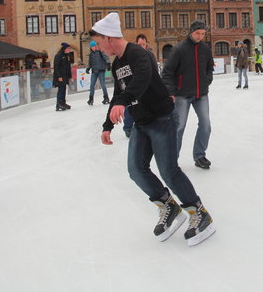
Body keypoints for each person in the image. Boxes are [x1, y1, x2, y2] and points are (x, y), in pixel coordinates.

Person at [91, 12, 215, 246]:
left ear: (108, 38)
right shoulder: (117, 64)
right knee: (136, 169)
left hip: (162, 118)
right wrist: (108, 124)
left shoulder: (139, 54)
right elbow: (119, 92)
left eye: (98, 42)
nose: (98, 47)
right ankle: (168, 206)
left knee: (169, 171)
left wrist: (123, 101)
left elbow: (143, 79)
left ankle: (199, 213)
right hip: (141, 122)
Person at [162, 21, 214, 170]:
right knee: (179, 127)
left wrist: (207, 79)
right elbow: (167, 72)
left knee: (206, 125)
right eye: (198, 33)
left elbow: (209, 67)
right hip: (182, 95)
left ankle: (199, 155)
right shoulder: (179, 50)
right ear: (191, 32)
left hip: (201, 94)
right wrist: (171, 91)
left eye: (203, 34)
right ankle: (172, 158)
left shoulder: (205, 49)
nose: (200, 36)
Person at [86, 41, 110, 106]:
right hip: (94, 71)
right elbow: (90, 63)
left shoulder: (100, 52)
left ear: (96, 46)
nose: (93, 48)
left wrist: (108, 63)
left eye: (93, 46)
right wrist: (88, 68)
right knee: (92, 85)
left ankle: (106, 98)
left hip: (101, 70)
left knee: (103, 85)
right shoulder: (91, 54)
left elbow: (106, 57)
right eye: (91, 47)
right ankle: (91, 99)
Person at [53, 42, 73, 111]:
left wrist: (70, 76)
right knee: (61, 89)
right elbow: (56, 67)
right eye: (68, 49)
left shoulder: (67, 56)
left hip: (65, 76)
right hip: (60, 76)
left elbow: (68, 67)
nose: (69, 50)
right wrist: (59, 76)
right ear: (64, 49)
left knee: (64, 89)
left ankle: (63, 102)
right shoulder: (58, 56)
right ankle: (58, 104)